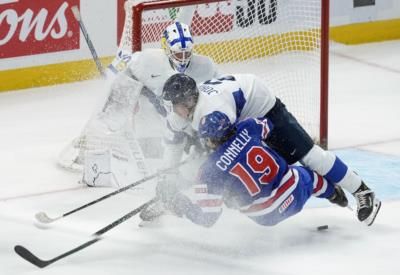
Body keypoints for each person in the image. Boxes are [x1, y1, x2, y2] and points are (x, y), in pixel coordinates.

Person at [153, 73, 381, 226]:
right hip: (242, 112)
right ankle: (327, 189)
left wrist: (192, 182)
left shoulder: (214, 111)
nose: (173, 109)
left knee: (308, 156)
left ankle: (362, 190)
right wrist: (168, 178)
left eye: (176, 104)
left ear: (189, 102)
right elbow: (173, 144)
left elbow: (225, 152)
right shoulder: (183, 112)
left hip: (264, 108)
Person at [57, 22, 221, 187]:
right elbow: (123, 77)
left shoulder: (206, 66)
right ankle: (94, 148)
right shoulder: (147, 60)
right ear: (167, 49)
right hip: (160, 105)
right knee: (120, 122)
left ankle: (197, 170)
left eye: (187, 53)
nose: (183, 59)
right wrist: (125, 95)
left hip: (187, 113)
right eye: (178, 54)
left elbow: (221, 92)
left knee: (203, 146)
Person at [154, 113, 354, 227]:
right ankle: (336, 195)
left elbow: (207, 219)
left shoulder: (208, 171)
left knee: (228, 191)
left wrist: (178, 201)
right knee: (309, 177)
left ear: (210, 139)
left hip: (266, 216)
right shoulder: (249, 127)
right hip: (294, 193)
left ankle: (174, 203)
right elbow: (269, 125)